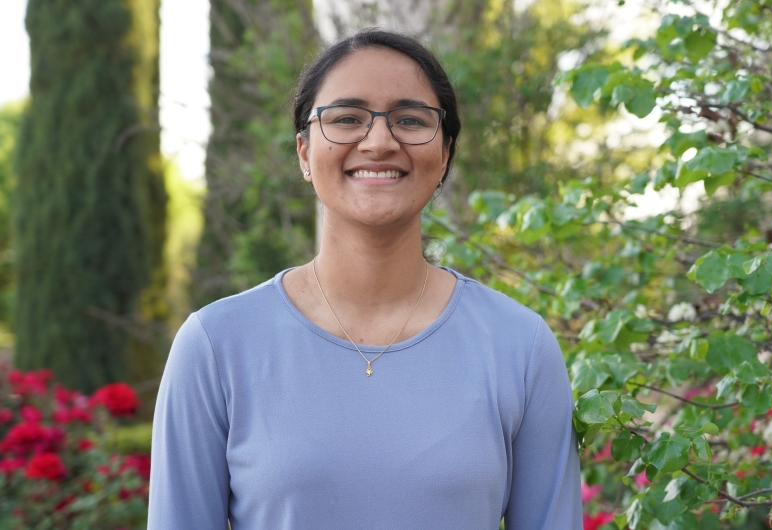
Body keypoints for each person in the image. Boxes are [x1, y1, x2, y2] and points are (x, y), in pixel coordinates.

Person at [148, 28, 581, 529]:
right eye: (347, 119)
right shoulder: (215, 346)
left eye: (411, 120)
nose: (378, 141)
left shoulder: (519, 347)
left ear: (444, 155)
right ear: (304, 153)